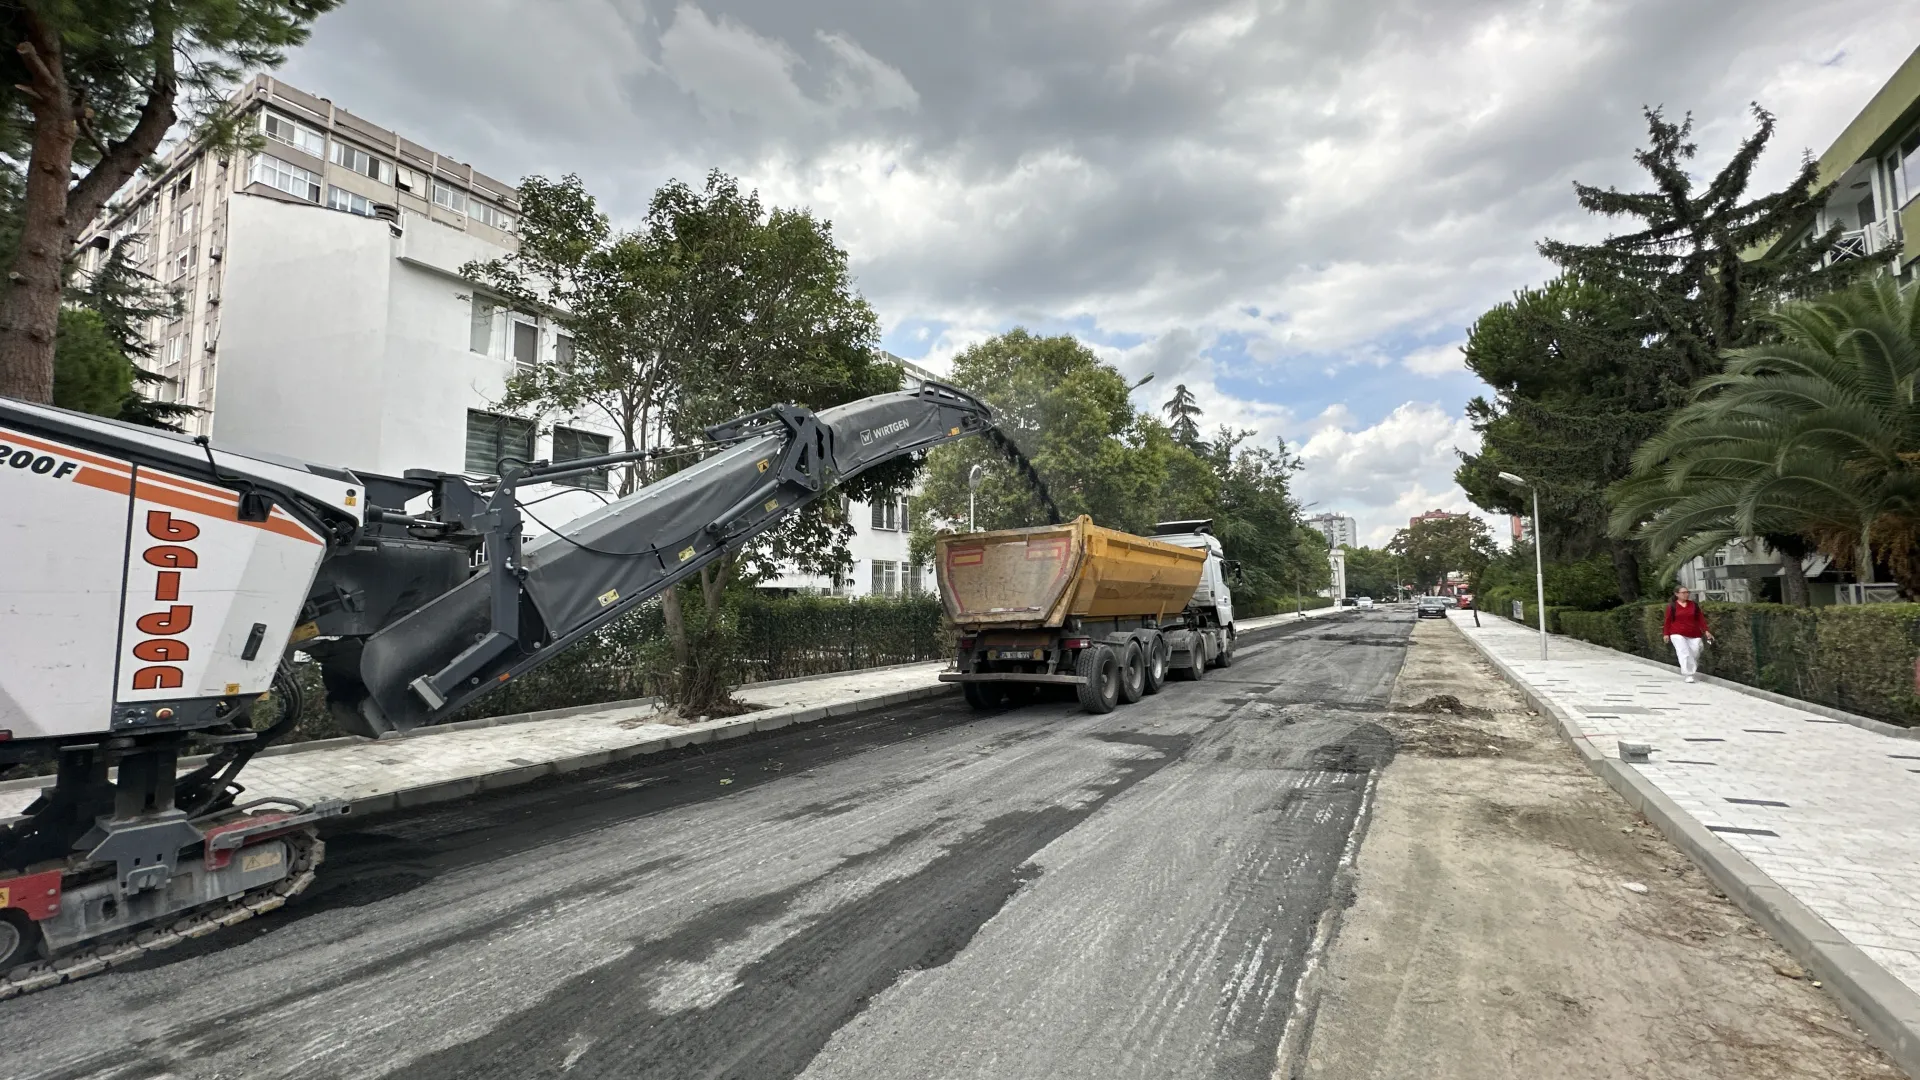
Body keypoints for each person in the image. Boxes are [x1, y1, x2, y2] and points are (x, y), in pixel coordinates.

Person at [1662, 586, 1713, 683]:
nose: (1686, 594)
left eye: (1687, 592)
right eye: (1683, 592)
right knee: (1684, 652)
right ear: (1677, 594)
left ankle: (1690, 667)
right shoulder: (1672, 606)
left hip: (1694, 633)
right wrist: (1666, 634)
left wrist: (1706, 630)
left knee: (1695, 651)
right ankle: (1689, 674)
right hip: (1677, 633)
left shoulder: (1693, 605)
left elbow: (1700, 619)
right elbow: (1667, 621)